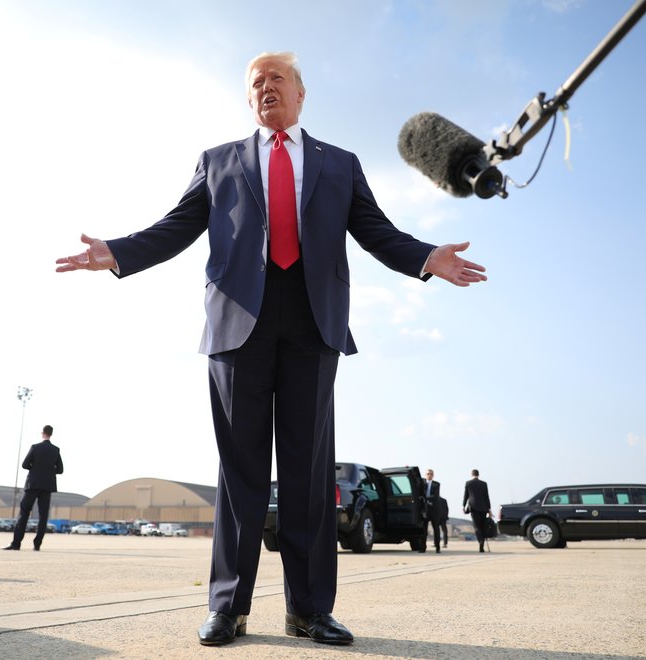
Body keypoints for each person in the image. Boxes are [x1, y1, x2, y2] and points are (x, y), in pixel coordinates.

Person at [55, 51, 486, 646]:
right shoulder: (218, 161)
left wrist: (425, 258)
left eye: (276, 79)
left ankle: (309, 610)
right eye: (256, 83)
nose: (266, 89)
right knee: (241, 473)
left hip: (313, 321)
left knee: (309, 474)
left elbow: (376, 230)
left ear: (301, 93)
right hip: (238, 325)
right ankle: (228, 607)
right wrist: (120, 252)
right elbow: (177, 226)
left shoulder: (340, 163)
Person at [4, 425, 63, 552]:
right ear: (51, 434)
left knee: (24, 512)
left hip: (33, 484)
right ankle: (37, 545)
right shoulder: (56, 450)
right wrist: (49, 470)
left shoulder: (35, 447)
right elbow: (60, 470)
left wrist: (35, 468)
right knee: (43, 516)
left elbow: (25, 464)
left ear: (42, 433)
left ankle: (16, 543)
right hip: (47, 486)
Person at [463, 468, 492, 553]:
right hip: (483, 508)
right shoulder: (483, 484)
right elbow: (487, 496)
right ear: (478, 474)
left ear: (472, 474)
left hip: (473, 508)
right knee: (483, 526)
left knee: (476, 526)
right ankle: (482, 543)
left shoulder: (468, 483)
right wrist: (489, 509)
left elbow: (466, 496)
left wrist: (463, 506)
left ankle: (480, 541)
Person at [421, 469, 442, 553]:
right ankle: (423, 548)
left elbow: (435, 496)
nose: (429, 475)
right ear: (425, 475)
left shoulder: (436, 484)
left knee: (436, 529)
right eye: (427, 474)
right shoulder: (422, 484)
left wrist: (426, 498)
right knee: (423, 530)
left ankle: (437, 547)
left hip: (434, 509)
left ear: (433, 475)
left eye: (431, 474)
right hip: (425, 509)